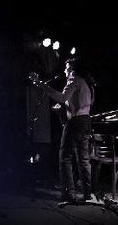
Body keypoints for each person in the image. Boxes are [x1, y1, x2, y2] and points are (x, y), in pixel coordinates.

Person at [35, 57, 95, 201]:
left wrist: (42, 85)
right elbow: (82, 104)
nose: (64, 70)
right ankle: (88, 194)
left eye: (66, 67)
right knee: (84, 159)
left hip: (75, 122)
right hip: (86, 121)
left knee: (65, 158)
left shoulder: (73, 80)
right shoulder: (87, 83)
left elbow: (62, 98)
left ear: (72, 69)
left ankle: (69, 194)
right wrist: (63, 111)